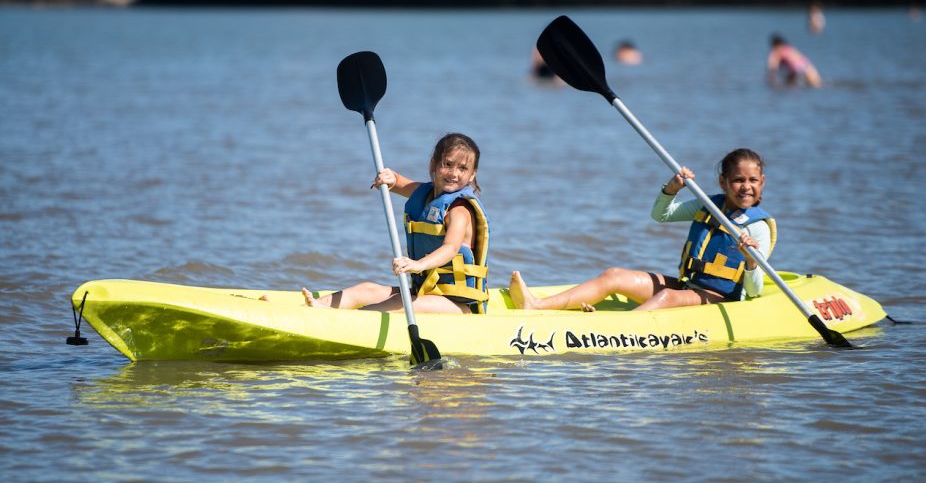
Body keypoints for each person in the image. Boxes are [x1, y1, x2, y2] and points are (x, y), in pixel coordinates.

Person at [509, 148, 776, 312]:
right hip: (689, 285)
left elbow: (752, 293)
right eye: (738, 180)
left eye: (753, 180)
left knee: (667, 297)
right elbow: (660, 215)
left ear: (762, 183)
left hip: (721, 299)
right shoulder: (707, 205)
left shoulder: (758, 228)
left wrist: (751, 261)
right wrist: (671, 189)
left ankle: (609, 331)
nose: (746, 187)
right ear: (723, 181)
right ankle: (538, 305)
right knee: (614, 275)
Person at [303, 133, 490, 314]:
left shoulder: (459, 210)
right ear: (434, 164)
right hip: (425, 292)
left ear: (472, 175)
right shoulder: (424, 193)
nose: (454, 173)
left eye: (463, 168)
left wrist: (418, 265)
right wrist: (390, 178)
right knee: (367, 289)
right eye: (447, 164)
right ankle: (316, 307)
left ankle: (345, 319)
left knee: (400, 302)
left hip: (457, 304)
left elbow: (450, 248)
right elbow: (399, 182)